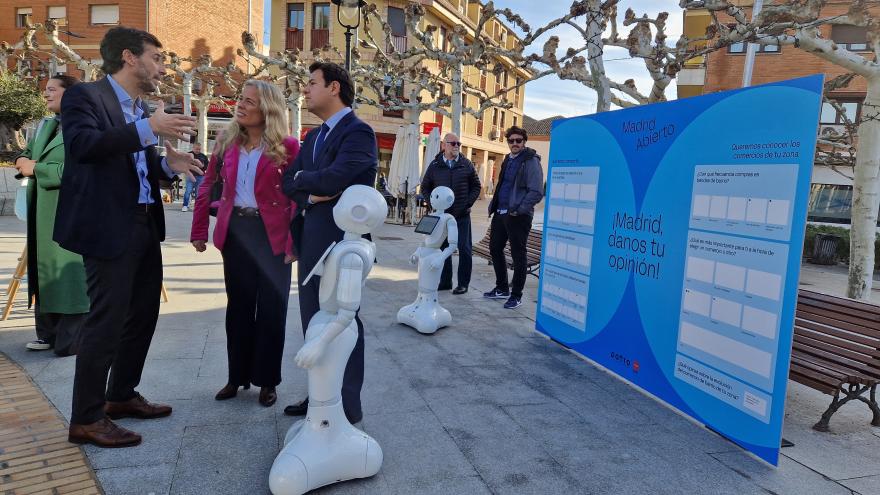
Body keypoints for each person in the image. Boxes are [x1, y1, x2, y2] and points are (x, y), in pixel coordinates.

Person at [55, 26, 204, 448]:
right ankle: (86, 418)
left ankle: (119, 396)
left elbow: (136, 168)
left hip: (143, 223)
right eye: (156, 58)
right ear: (129, 57)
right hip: (107, 226)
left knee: (142, 315)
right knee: (106, 322)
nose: (161, 67)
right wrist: (148, 129)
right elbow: (84, 146)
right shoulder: (87, 96)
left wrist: (168, 167)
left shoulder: (140, 108)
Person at [190, 80, 299, 408]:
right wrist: (198, 230)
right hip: (237, 232)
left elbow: (296, 198)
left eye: (250, 102)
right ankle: (236, 377)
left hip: (272, 236)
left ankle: (267, 381)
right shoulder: (226, 140)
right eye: (241, 99)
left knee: (272, 310)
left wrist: (294, 242)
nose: (241, 105)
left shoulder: (289, 146)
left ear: (267, 109)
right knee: (238, 308)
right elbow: (208, 184)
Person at [281, 62, 378, 424]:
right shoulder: (313, 136)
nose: (305, 90)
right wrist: (312, 189)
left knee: (343, 319)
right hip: (311, 235)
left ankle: (348, 403)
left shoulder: (359, 132)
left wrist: (313, 183)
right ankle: (320, 395)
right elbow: (292, 182)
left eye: (311, 83)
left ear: (334, 88)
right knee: (313, 321)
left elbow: (336, 179)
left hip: (342, 241)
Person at [14, 74, 89, 356]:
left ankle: (71, 339)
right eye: (44, 89)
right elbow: (27, 153)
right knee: (43, 270)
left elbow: (78, 171)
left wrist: (36, 169)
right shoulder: (46, 125)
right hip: (41, 212)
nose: (45, 94)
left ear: (71, 94)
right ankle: (46, 333)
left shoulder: (83, 127)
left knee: (68, 274)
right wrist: (22, 160)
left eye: (52, 89)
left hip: (68, 211)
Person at [484, 126, 544, 309]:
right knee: (495, 249)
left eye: (519, 140)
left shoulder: (531, 161)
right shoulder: (507, 160)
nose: (515, 144)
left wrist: (519, 209)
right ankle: (502, 288)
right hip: (501, 213)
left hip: (518, 216)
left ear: (524, 142)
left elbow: (536, 191)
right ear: (508, 142)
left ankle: (516, 295)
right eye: (512, 141)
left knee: (519, 256)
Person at [419, 133, 480, 294]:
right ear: (444, 145)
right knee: (443, 248)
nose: (456, 146)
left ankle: (463, 284)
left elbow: (476, 186)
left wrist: (467, 203)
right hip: (442, 217)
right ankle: (445, 282)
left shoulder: (466, 164)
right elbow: (425, 187)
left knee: (464, 249)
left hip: (461, 215)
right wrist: (432, 202)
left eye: (458, 144)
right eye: (453, 143)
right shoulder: (435, 165)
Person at [181, 142, 209, 211]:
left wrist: (203, 167)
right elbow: (183, 163)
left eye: (199, 149)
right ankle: (185, 205)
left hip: (200, 177)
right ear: (193, 148)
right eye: (196, 149)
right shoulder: (188, 154)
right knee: (188, 191)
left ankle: (197, 206)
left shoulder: (203, 156)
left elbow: (207, 166)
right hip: (190, 176)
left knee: (198, 192)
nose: (198, 150)